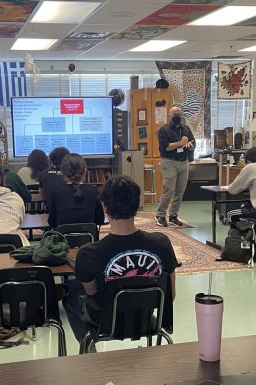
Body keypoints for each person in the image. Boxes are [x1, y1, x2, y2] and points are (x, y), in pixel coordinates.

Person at [64, 175, 178, 342]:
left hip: (105, 323)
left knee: (72, 293)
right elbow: (170, 294)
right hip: (146, 319)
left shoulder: (88, 253)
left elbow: (91, 292)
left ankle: (89, 347)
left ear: (104, 207)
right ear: (137, 206)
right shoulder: (162, 243)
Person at [155, 106, 195, 227]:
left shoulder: (186, 129)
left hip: (184, 161)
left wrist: (189, 145)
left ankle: (173, 215)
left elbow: (193, 143)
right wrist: (181, 143)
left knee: (180, 190)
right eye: (174, 114)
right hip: (169, 161)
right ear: (170, 116)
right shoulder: (163, 130)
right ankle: (160, 215)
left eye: (178, 113)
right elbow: (166, 147)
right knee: (169, 189)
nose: (177, 116)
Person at [48, 154, 104, 228]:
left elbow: (51, 222)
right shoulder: (93, 190)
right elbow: (100, 220)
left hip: (63, 239)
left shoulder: (56, 191)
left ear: (63, 172)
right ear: (85, 170)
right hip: (89, 238)